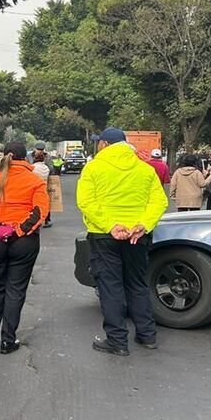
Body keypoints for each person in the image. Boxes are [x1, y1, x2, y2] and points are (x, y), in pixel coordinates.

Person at [77, 127, 168, 357]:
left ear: (104, 144)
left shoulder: (93, 167)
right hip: (137, 236)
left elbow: (86, 202)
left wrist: (110, 225)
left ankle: (117, 341)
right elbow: (159, 202)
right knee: (137, 284)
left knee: (111, 286)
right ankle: (147, 335)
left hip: (104, 236)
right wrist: (143, 224)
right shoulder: (145, 169)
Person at [0, 143, 50, 354]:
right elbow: (40, 211)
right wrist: (18, 231)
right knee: (16, 289)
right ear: (26, 158)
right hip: (24, 242)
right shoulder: (35, 181)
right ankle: (8, 340)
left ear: (5, 156)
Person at [31, 153, 53, 228]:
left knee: (35, 206)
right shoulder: (46, 168)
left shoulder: (33, 167)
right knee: (45, 205)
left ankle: (36, 221)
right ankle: (47, 220)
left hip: (35, 188)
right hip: (44, 188)